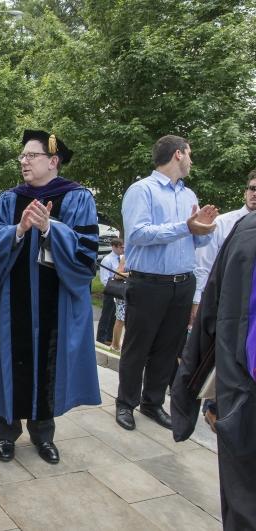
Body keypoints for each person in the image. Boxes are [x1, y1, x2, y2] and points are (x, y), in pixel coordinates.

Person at [0, 130, 101, 465]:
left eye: (31, 156)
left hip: (54, 302)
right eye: (23, 156)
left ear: (53, 161)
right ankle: (5, 435)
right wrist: (18, 230)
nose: (23, 161)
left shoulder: (77, 198)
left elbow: (87, 252)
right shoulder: (8, 200)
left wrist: (49, 229)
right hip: (13, 302)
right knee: (9, 365)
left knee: (48, 364)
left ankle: (43, 434)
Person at [115, 135, 218, 432]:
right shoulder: (141, 190)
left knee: (167, 347)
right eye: (190, 153)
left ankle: (152, 402)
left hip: (182, 283)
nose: (191, 160)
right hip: (148, 283)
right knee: (138, 346)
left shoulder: (189, 196)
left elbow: (198, 240)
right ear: (177, 154)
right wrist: (185, 226)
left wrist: (205, 227)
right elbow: (139, 234)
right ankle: (126, 403)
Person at [171, 210, 256, 530]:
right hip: (244, 387)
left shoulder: (246, 229)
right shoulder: (246, 230)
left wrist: (189, 395)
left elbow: (212, 313)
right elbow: (215, 311)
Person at [191, 170, 256, 431]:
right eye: (252, 188)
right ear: (245, 191)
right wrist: (198, 304)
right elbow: (205, 267)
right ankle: (214, 412)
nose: (255, 194)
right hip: (226, 312)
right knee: (220, 366)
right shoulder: (228, 223)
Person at [97, 238, 124, 346]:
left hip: (119, 291)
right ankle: (100, 338)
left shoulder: (121, 258)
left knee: (115, 315)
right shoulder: (107, 260)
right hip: (110, 290)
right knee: (106, 315)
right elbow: (104, 278)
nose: (123, 249)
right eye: (121, 247)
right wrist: (112, 287)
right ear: (114, 246)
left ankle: (109, 337)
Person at [111, 254, 129, 352]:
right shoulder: (126, 257)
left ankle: (126, 346)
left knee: (131, 322)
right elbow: (117, 275)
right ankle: (115, 345)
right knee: (120, 320)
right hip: (124, 293)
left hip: (137, 293)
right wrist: (130, 274)